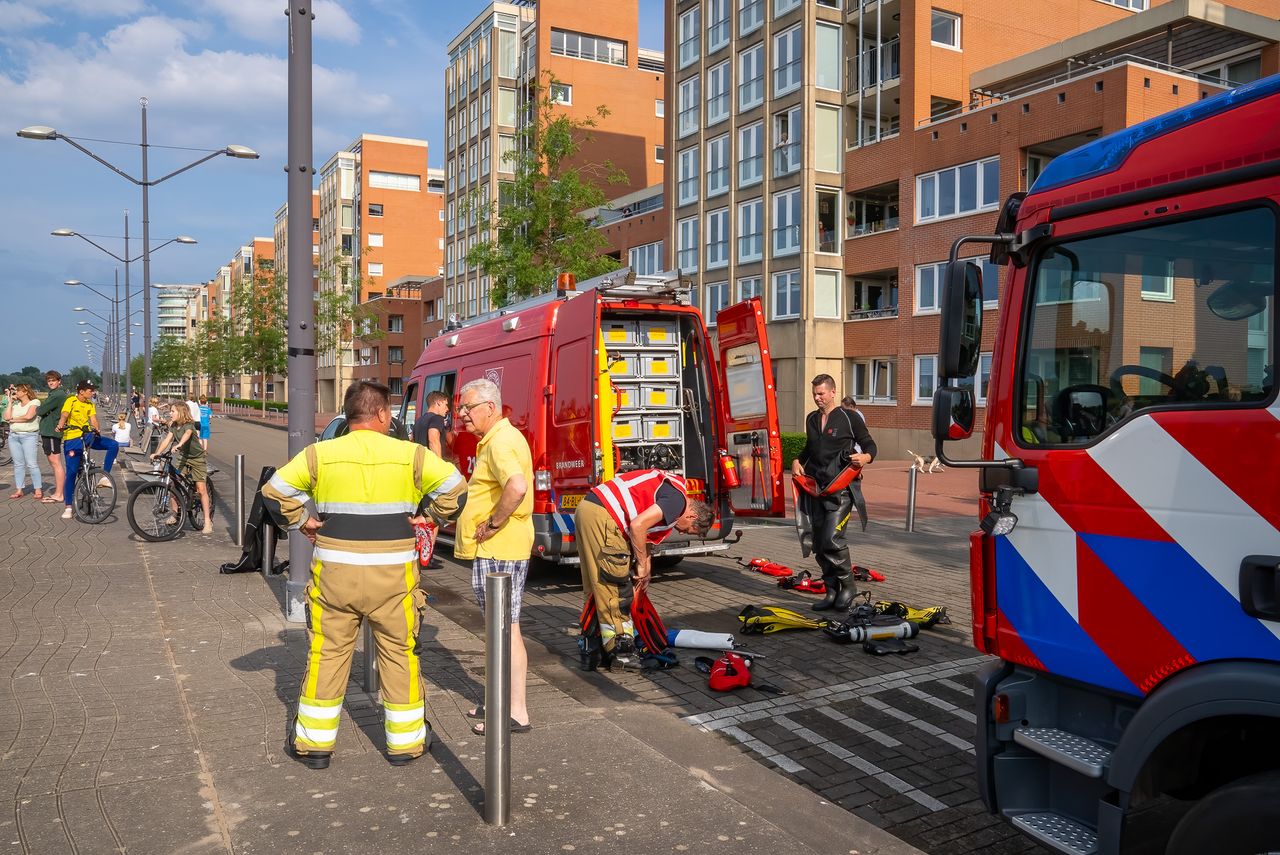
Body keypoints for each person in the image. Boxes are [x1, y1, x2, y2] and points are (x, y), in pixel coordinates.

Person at [262, 380, 466, 769]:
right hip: (394, 576)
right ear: (383, 414)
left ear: (349, 414)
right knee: (400, 655)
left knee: (328, 654)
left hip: (336, 575)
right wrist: (430, 517)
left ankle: (314, 747)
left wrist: (303, 521)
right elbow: (457, 490)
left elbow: (274, 492)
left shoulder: (319, 455)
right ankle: (405, 746)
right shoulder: (412, 455)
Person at [453, 378, 534, 735]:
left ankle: (515, 711)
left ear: (489, 407)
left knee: (505, 629)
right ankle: (500, 699)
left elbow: (517, 486)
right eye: (460, 409)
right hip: (501, 547)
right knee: (499, 628)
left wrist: (492, 524)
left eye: (467, 408)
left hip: (500, 548)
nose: (462, 416)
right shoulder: (499, 439)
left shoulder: (500, 441)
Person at [574, 469, 712, 665]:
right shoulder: (677, 502)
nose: (682, 533)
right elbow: (638, 526)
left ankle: (592, 648)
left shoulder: (672, 493)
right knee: (616, 589)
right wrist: (640, 564)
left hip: (589, 509)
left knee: (597, 586)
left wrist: (645, 572)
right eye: (688, 530)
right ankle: (622, 653)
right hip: (606, 516)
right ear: (692, 517)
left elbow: (644, 538)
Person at [791, 374, 876, 611]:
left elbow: (870, 445)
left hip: (842, 490)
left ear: (832, 392)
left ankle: (848, 586)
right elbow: (810, 448)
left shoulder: (849, 418)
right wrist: (797, 460)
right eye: (814, 394)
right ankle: (831, 591)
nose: (817, 398)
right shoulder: (811, 419)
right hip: (816, 489)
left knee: (831, 538)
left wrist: (866, 457)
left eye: (821, 393)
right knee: (818, 542)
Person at [56, 381, 120, 521]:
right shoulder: (71, 401)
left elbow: (94, 420)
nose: (92, 393)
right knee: (71, 472)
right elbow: (64, 415)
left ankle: (105, 477)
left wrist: (97, 428)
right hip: (72, 438)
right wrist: (61, 425)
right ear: (81, 391)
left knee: (113, 445)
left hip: (87, 436)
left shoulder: (90, 404)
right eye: (90, 390)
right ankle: (68, 506)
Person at [150, 405, 212, 535]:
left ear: (181, 412)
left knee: (201, 490)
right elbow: (167, 440)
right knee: (173, 485)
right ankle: (175, 514)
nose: (170, 413)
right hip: (184, 457)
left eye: (173, 411)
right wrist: (157, 453)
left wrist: (179, 444)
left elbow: (187, 435)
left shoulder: (188, 425)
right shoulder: (173, 426)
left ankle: (207, 521)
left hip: (197, 458)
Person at [5, 384, 43, 500]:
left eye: (18, 390)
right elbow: (6, 417)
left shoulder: (35, 402)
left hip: (29, 436)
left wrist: (13, 420)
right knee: (18, 464)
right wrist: (10, 402)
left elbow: (29, 416)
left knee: (31, 463)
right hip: (14, 436)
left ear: (25, 392)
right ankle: (19, 489)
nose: (15, 392)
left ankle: (38, 489)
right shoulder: (16, 405)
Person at [36, 371, 68, 505]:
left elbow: (40, 410)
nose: (51, 383)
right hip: (48, 431)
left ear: (59, 381)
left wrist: (42, 408)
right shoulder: (53, 394)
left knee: (56, 462)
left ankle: (59, 494)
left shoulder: (58, 394)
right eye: (49, 381)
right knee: (53, 462)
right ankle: (60, 492)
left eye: (53, 380)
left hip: (51, 432)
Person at [411, 391, 451, 460]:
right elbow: (433, 440)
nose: (447, 409)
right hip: (432, 465)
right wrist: (439, 464)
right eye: (446, 404)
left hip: (421, 465)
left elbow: (412, 441)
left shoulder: (418, 421)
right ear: (439, 402)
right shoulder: (437, 418)